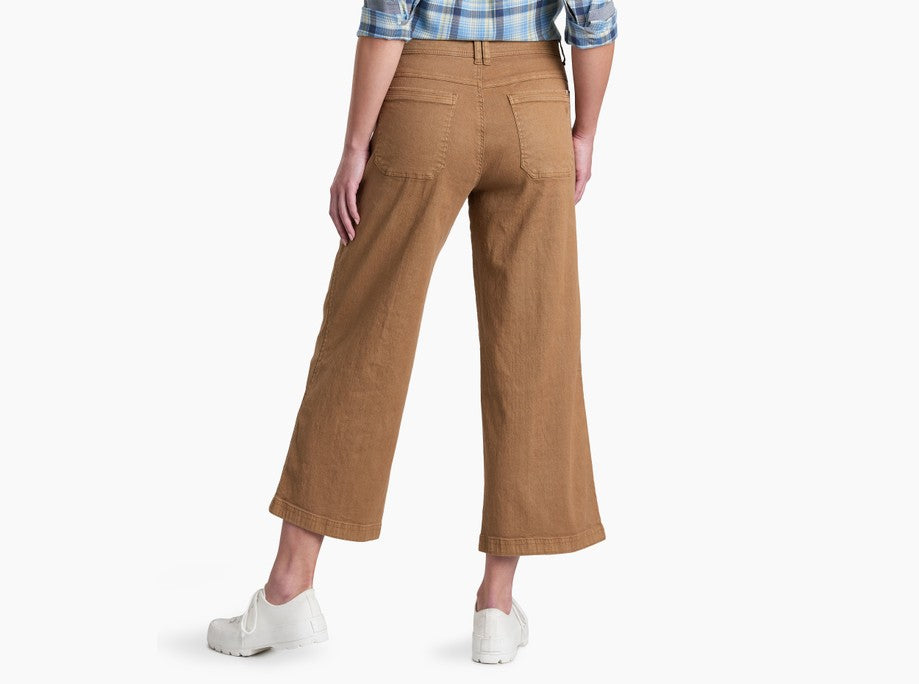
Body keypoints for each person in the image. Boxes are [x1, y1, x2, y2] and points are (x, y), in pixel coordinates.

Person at [207, 0, 617, 664]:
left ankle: (289, 588)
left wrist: (355, 147)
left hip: (425, 98)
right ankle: (496, 605)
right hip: (537, 98)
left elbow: (388, 16)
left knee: (363, 338)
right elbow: (594, 16)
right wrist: (585, 132)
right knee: (533, 348)